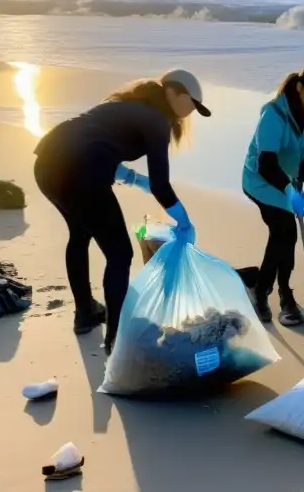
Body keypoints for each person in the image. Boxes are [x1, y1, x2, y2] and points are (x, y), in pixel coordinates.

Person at [33, 69, 209, 353]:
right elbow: (162, 187)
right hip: (80, 173)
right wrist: (183, 219)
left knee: (79, 233)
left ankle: (85, 313)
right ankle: (115, 339)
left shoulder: (125, 105)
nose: (191, 112)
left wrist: (133, 178)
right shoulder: (156, 120)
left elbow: (90, 145)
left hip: (47, 166)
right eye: (191, 103)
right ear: (172, 93)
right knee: (120, 254)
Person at [242, 62, 304, 326]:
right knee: (284, 231)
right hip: (260, 180)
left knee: (285, 233)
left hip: (290, 183)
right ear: (299, 87)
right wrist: (289, 190)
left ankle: (276, 291)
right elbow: (266, 163)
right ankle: (266, 292)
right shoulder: (273, 114)